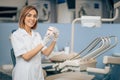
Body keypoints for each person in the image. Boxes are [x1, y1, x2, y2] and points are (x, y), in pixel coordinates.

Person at [10, 5, 59, 80]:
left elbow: (46, 53)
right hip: (23, 74)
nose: (32, 19)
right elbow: (26, 57)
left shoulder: (36, 35)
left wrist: (55, 39)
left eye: (34, 16)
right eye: (29, 15)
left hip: (37, 73)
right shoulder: (16, 35)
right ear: (23, 17)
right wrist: (44, 42)